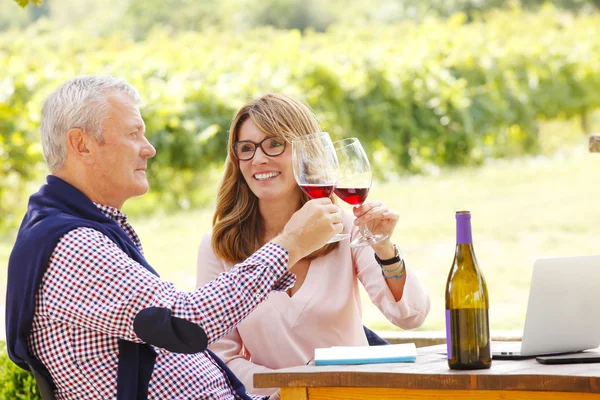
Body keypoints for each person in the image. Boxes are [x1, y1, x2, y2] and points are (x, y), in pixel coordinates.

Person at [5, 76, 344, 400]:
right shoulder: (73, 246)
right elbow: (187, 323)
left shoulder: (80, 231)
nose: (148, 149)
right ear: (82, 144)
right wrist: (290, 245)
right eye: (134, 133)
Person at [196, 93, 431, 396]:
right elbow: (220, 357)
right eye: (246, 148)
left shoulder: (346, 229)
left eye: (274, 143)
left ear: (307, 152)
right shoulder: (218, 249)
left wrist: (384, 248)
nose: (258, 158)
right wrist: (296, 388)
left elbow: (411, 316)